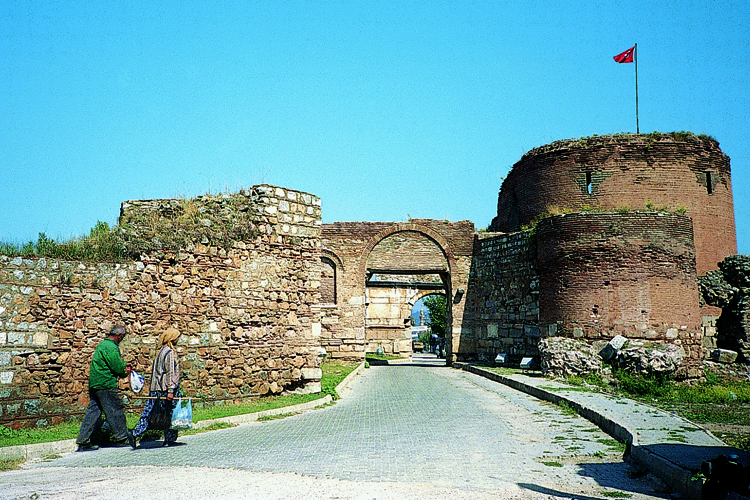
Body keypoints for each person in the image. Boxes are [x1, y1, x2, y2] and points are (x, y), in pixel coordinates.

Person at [76, 324, 136, 451]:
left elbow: (108, 363)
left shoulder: (102, 345)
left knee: (94, 411)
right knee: (115, 409)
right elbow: (116, 366)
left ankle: (83, 440)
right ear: (118, 336)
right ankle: (122, 437)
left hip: (95, 383)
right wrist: (124, 370)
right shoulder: (111, 347)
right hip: (105, 383)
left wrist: (123, 365)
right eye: (122, 337)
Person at [132, 327, 182, 447]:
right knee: (171, 413)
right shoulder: (169, 352)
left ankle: (136, 432)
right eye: (176, 337)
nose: (177, 340)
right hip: (166, 389)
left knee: (150, 411)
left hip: (156, 388)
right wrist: (171, 390)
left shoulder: (160, 351)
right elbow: (170, 371)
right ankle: (169, 438)